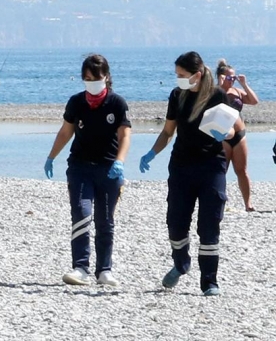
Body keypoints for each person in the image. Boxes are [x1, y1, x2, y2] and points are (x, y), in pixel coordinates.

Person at [139, 51, 239, 296]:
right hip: (182, 165)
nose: (178, 79)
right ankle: (181, 264)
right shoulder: (177, 96)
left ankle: (209, 281)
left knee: (209, 224)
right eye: (176, 75)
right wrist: (152, 153)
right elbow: (167, 132)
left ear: (196, 74)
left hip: (211, 165)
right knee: (176, 221)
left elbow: (233, 132)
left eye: (182, 75)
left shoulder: (217, 95)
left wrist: (224, 134)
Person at [44, 54, 130, 286]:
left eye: (95, 78)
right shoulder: (76, 102)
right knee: (81, 213)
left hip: (109, 168)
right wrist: (52, 156)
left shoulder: (117, 103)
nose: (91, 82)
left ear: (106, 77)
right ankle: (80, 267)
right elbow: (65, 132)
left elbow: (124, 135)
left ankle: (104, 270)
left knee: (104, 220)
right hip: (80, 167)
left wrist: (120, 161)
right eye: (86, 78)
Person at [215, 59, 259, 212]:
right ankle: (218, 202)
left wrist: (244, 84)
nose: (231, 80)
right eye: (229, 77)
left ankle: (248, 204)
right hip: (224, 135)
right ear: (221, 77)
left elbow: (254, 101)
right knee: (221, 170)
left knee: (242, 170)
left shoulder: (237, 91)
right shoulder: (216, 92)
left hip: (239, 134)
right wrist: (221, 85)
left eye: (233, 77)